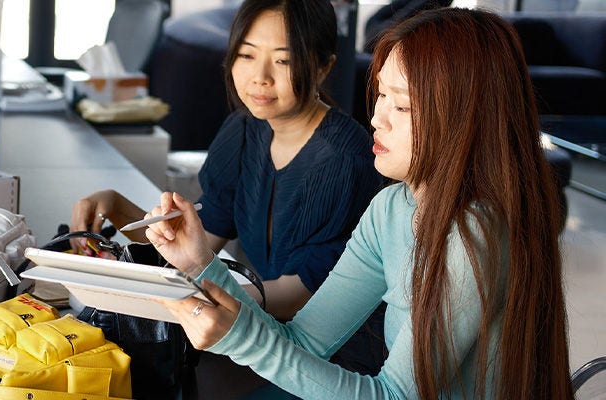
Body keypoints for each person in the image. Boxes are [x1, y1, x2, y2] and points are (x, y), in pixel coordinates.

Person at [146, 8, 572, 399]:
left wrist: (238, 336)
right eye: (381, 96)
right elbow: (305, 341)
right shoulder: (391, 208)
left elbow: (394, 396)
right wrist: (201, 263)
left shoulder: (471, 232)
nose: (377, 118)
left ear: (466, 118)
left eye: (402, 105)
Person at [71, 0, 385, 374]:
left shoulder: (344, 159)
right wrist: (117, 208)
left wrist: (189, 301)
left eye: (283, 61)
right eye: (246, 55)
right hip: (269, 335)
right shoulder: (243, 130)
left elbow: (299, 296)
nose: (259, 77)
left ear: (322, 67)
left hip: (340, 359)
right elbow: (198, 238)